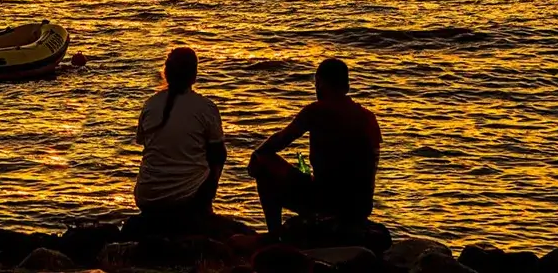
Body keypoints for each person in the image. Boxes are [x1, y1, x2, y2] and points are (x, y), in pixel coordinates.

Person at [248, 58, 381, 237]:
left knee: (263, 161)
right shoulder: (368, 118)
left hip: (326, 201)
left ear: (319, 83)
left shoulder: (316, 111)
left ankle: (274, 236)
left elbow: (281, 139)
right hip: (360, 207)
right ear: (347, 86)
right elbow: (371, 165)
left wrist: (256, 154)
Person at [134, 47, 227, 230]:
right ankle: (204, 211)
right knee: (216, 153)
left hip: (147, 198)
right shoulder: (205, 108)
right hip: (187, 200)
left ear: (166, 73)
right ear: (194, 75)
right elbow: (218, 155)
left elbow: (147, 143)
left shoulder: (150, 105)